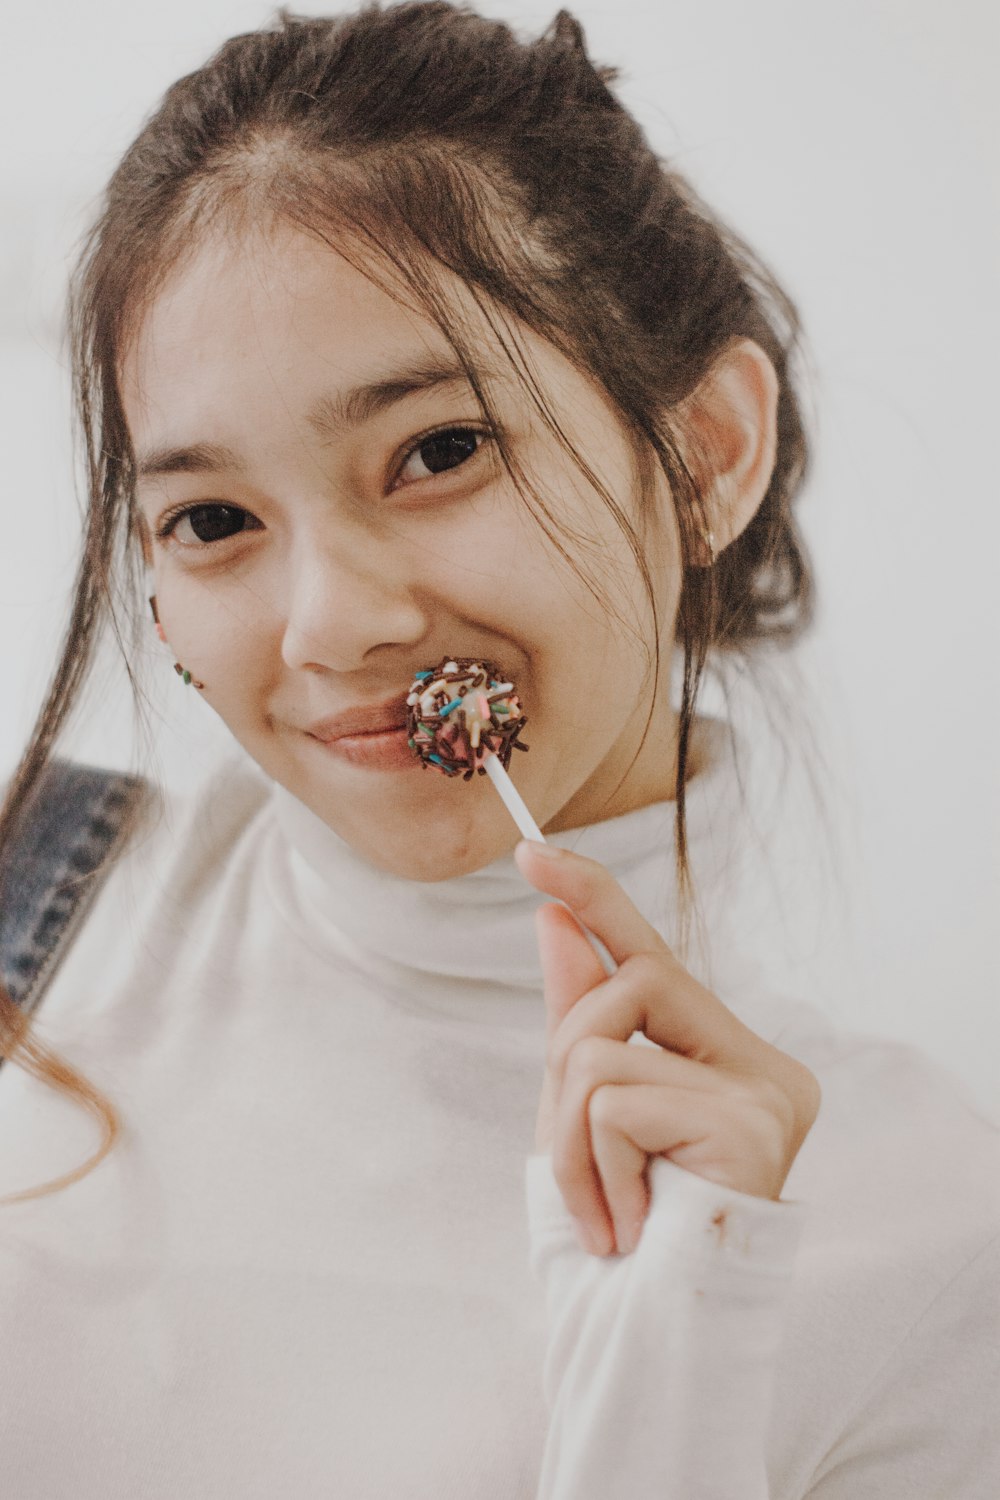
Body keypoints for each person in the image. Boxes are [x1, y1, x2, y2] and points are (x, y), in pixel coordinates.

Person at [0, 4, 996, 1496]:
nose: (330, 626)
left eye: (440, 450)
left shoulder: (928, 1225)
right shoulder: (34, 918)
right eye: (214, 521)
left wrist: (673, 1392)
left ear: (711, 453)